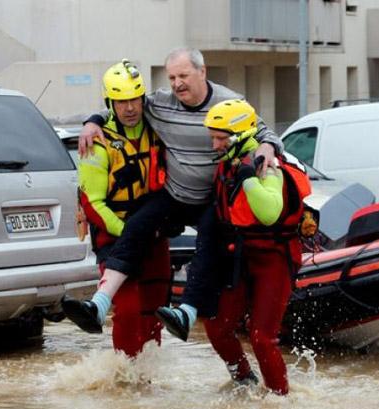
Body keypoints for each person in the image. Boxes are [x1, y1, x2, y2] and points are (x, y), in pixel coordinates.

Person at [69, 46, 283, 340]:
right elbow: (120, 106)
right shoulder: (158, 103)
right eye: (171, 77)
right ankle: (99, 303)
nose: (177, 83)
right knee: (138, 224)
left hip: (210, 197)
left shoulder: (231, 102)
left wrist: (268, 147)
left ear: (202, 71)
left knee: (208, 241)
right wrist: (92, 121)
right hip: (174, 194)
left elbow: (263, 131)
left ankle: (188, 311)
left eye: (183, 75)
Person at [195, 99, 311, 395]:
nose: (215, 145)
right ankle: (243, 379)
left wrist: (248, 180)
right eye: (213, 138)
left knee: (262, 336)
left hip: (274, 257)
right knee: (216, 325)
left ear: (239, 136)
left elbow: (270, 212)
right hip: (241, 256)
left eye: (220, 139)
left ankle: (279, 400)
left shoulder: (267, 167)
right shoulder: (227, 164)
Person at [62, 59, 169, 357]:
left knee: (155, 309)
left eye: (135, 98)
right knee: (129, 311)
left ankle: (147, 381)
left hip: (155, 232)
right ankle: (124, 380)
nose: (130, 108)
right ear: (110, 102)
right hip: (115, 234)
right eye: (122, 101)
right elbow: (93, 204)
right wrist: (129, 233)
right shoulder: (96, 142)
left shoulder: (157, 127)